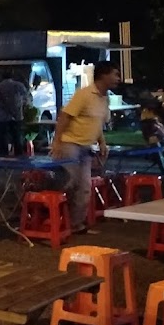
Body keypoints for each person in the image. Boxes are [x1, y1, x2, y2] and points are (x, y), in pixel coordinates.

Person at [52, 60, 121, 234]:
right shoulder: (84, 94)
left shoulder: (105, 98)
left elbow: (97, 124)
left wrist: (102, 143)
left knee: (84, 187)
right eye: (115, 74)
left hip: (86, 147)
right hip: (70, 144)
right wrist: (57, 142)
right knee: (70, 181)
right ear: (103, 75)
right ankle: (50, 211)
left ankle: (76, 224)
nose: (118, 78)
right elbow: (65, 117)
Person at [0, 71, 30, 156]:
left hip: (3, 116)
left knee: (3, 135)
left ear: (2, 77)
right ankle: (18, 153)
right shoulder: (19, 85)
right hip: (17, 115)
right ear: (12, 77)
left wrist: (6, 110)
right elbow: (26, 99)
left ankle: (3, 153)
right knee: (17, 135)